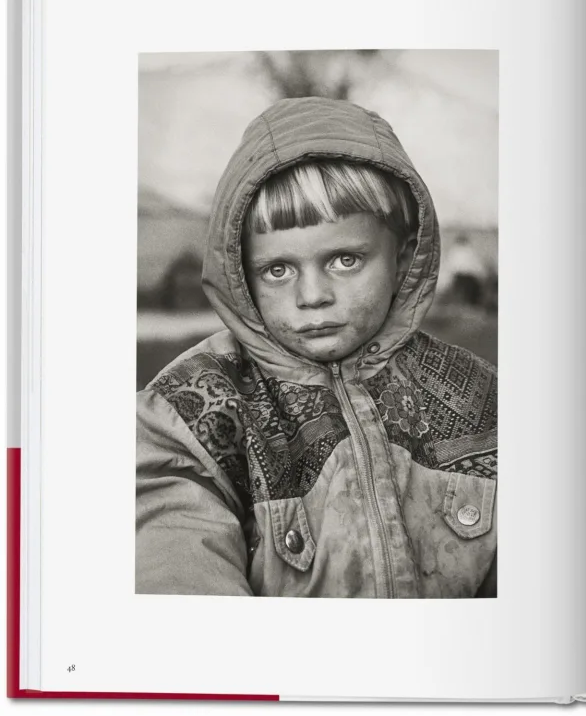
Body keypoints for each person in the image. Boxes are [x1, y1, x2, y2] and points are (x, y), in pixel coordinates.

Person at [136, 97, 497, 598]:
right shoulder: (187, 412)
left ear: (403, 257)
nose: (312, 296)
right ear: (240, 274)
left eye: (345, 260)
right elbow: (176, 570)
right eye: (277, 270)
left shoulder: (484, 396)